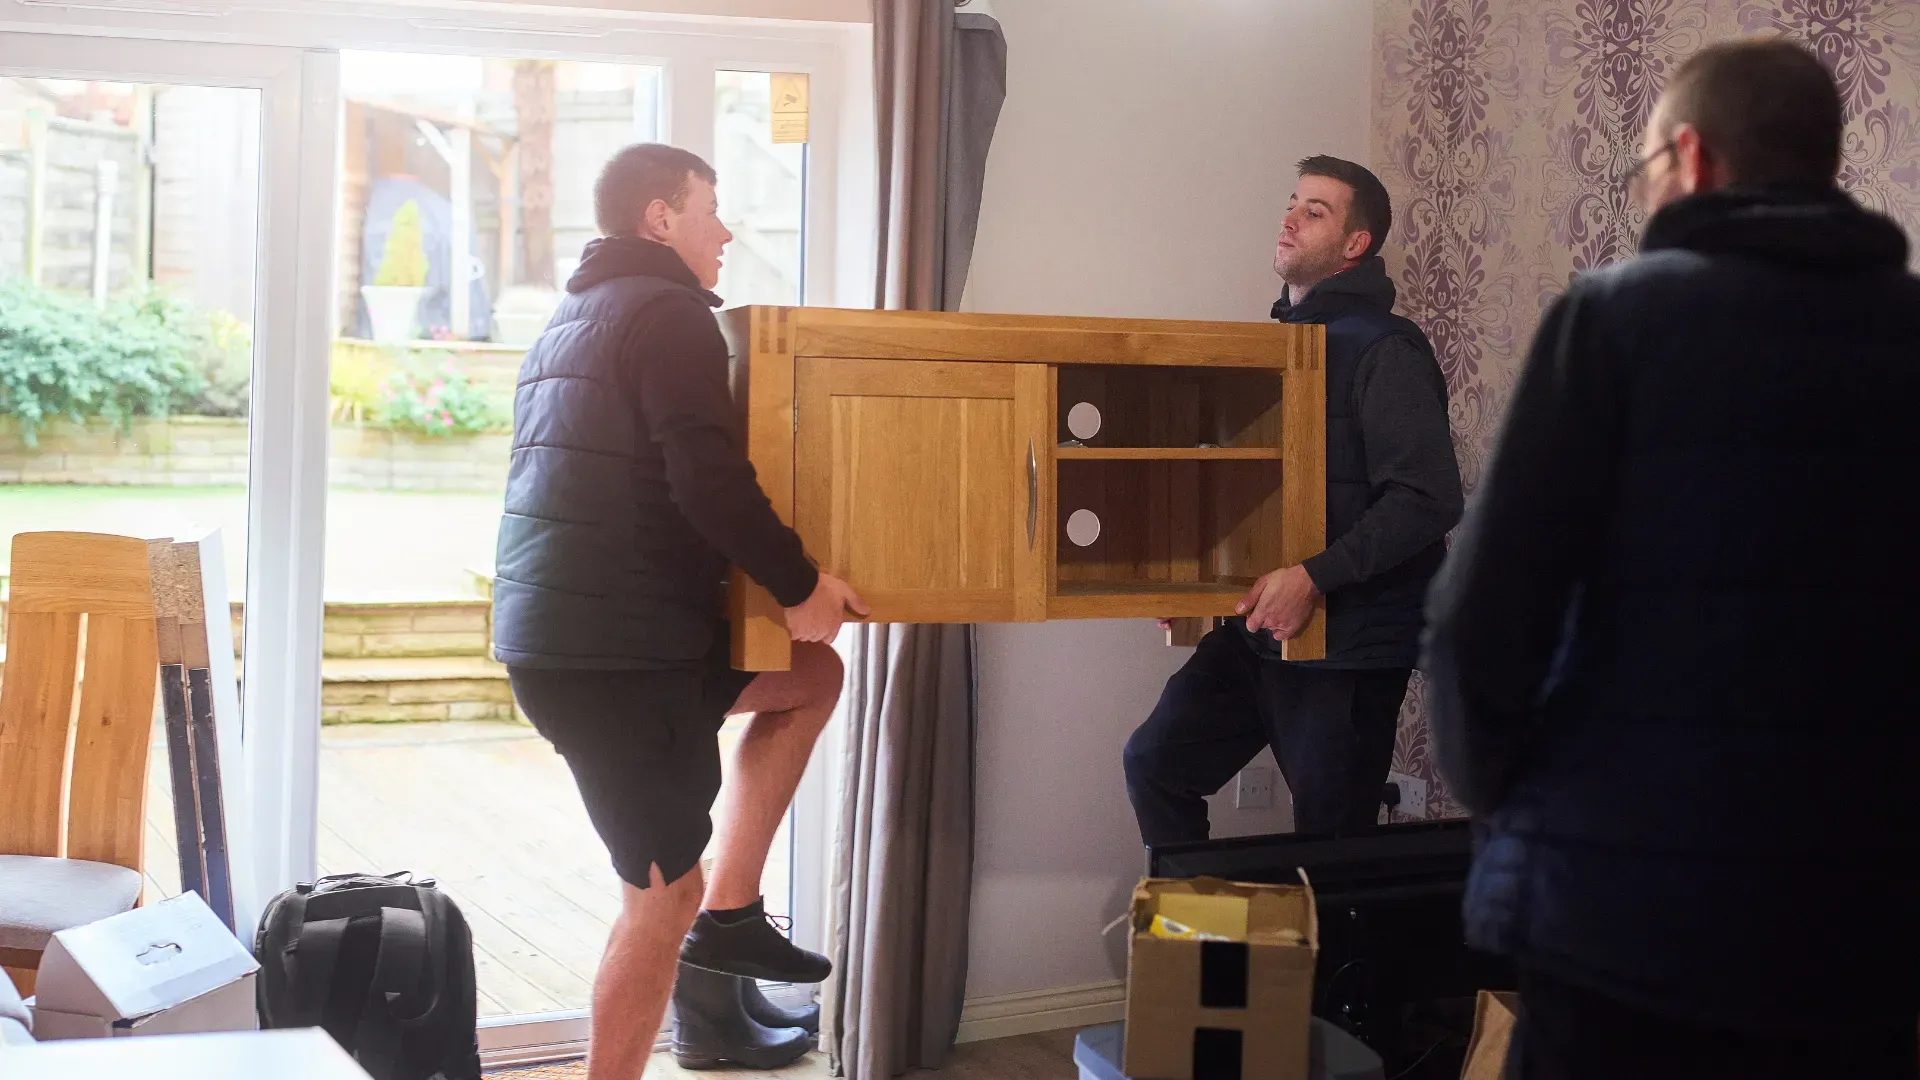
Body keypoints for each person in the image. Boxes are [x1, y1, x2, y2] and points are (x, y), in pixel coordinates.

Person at [1422, 40, 1920, 1079]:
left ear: (1691, 157)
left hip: (1622, 910)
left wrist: (1508, 801)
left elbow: (1485, 615)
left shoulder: (1617, 318)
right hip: (1864, 925)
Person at [491, 143, 868, 1078]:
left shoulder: (575, 317)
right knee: (660, 901)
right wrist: (800, 585)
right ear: (660, 218)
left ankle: (732, 915)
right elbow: (707, 478)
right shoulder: (668, 314)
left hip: (591, 638)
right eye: (710, 209)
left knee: (810, 675)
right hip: (615, 660)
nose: (725, 231)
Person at [1123, 157, 1464, 843]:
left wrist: (1311, 578)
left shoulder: (1388, 350)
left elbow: (1427, 500)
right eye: (1291, 203)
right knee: (1156, 763)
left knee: (1330, 846)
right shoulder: (1279, 346)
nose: (1290, 219)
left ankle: (1321, 921)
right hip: (1258, 637)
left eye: (1315, 211)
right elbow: (1256, 490)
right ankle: (1203, 919)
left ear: (1355, 243)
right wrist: (1199, 585)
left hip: (1350, 649)